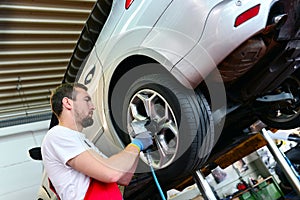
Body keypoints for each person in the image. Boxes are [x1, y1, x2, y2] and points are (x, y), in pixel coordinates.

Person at [41, 82, 153, 200]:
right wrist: (137, 144)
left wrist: (137, 144)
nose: (92, 106)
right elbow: (111, 173)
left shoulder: (83, 142)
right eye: (86, 100)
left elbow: (123, 178)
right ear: (68, 103)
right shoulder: (58, 135)